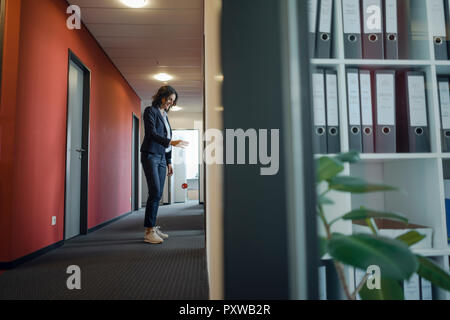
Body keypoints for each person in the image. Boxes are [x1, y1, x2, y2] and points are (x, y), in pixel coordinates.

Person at [140, 86, 189, 244]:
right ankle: (148, 231)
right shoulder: (150, 111)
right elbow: (152, 134)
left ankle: (152, 227)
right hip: (150, 155)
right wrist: (171, 142)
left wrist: (169, 162)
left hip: (161, 157)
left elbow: (167, 138)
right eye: (169, 99)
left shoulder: (165, 115)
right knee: (154, 191)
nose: (170, 103)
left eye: (172, 101)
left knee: (158, 193)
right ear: (161, 96)